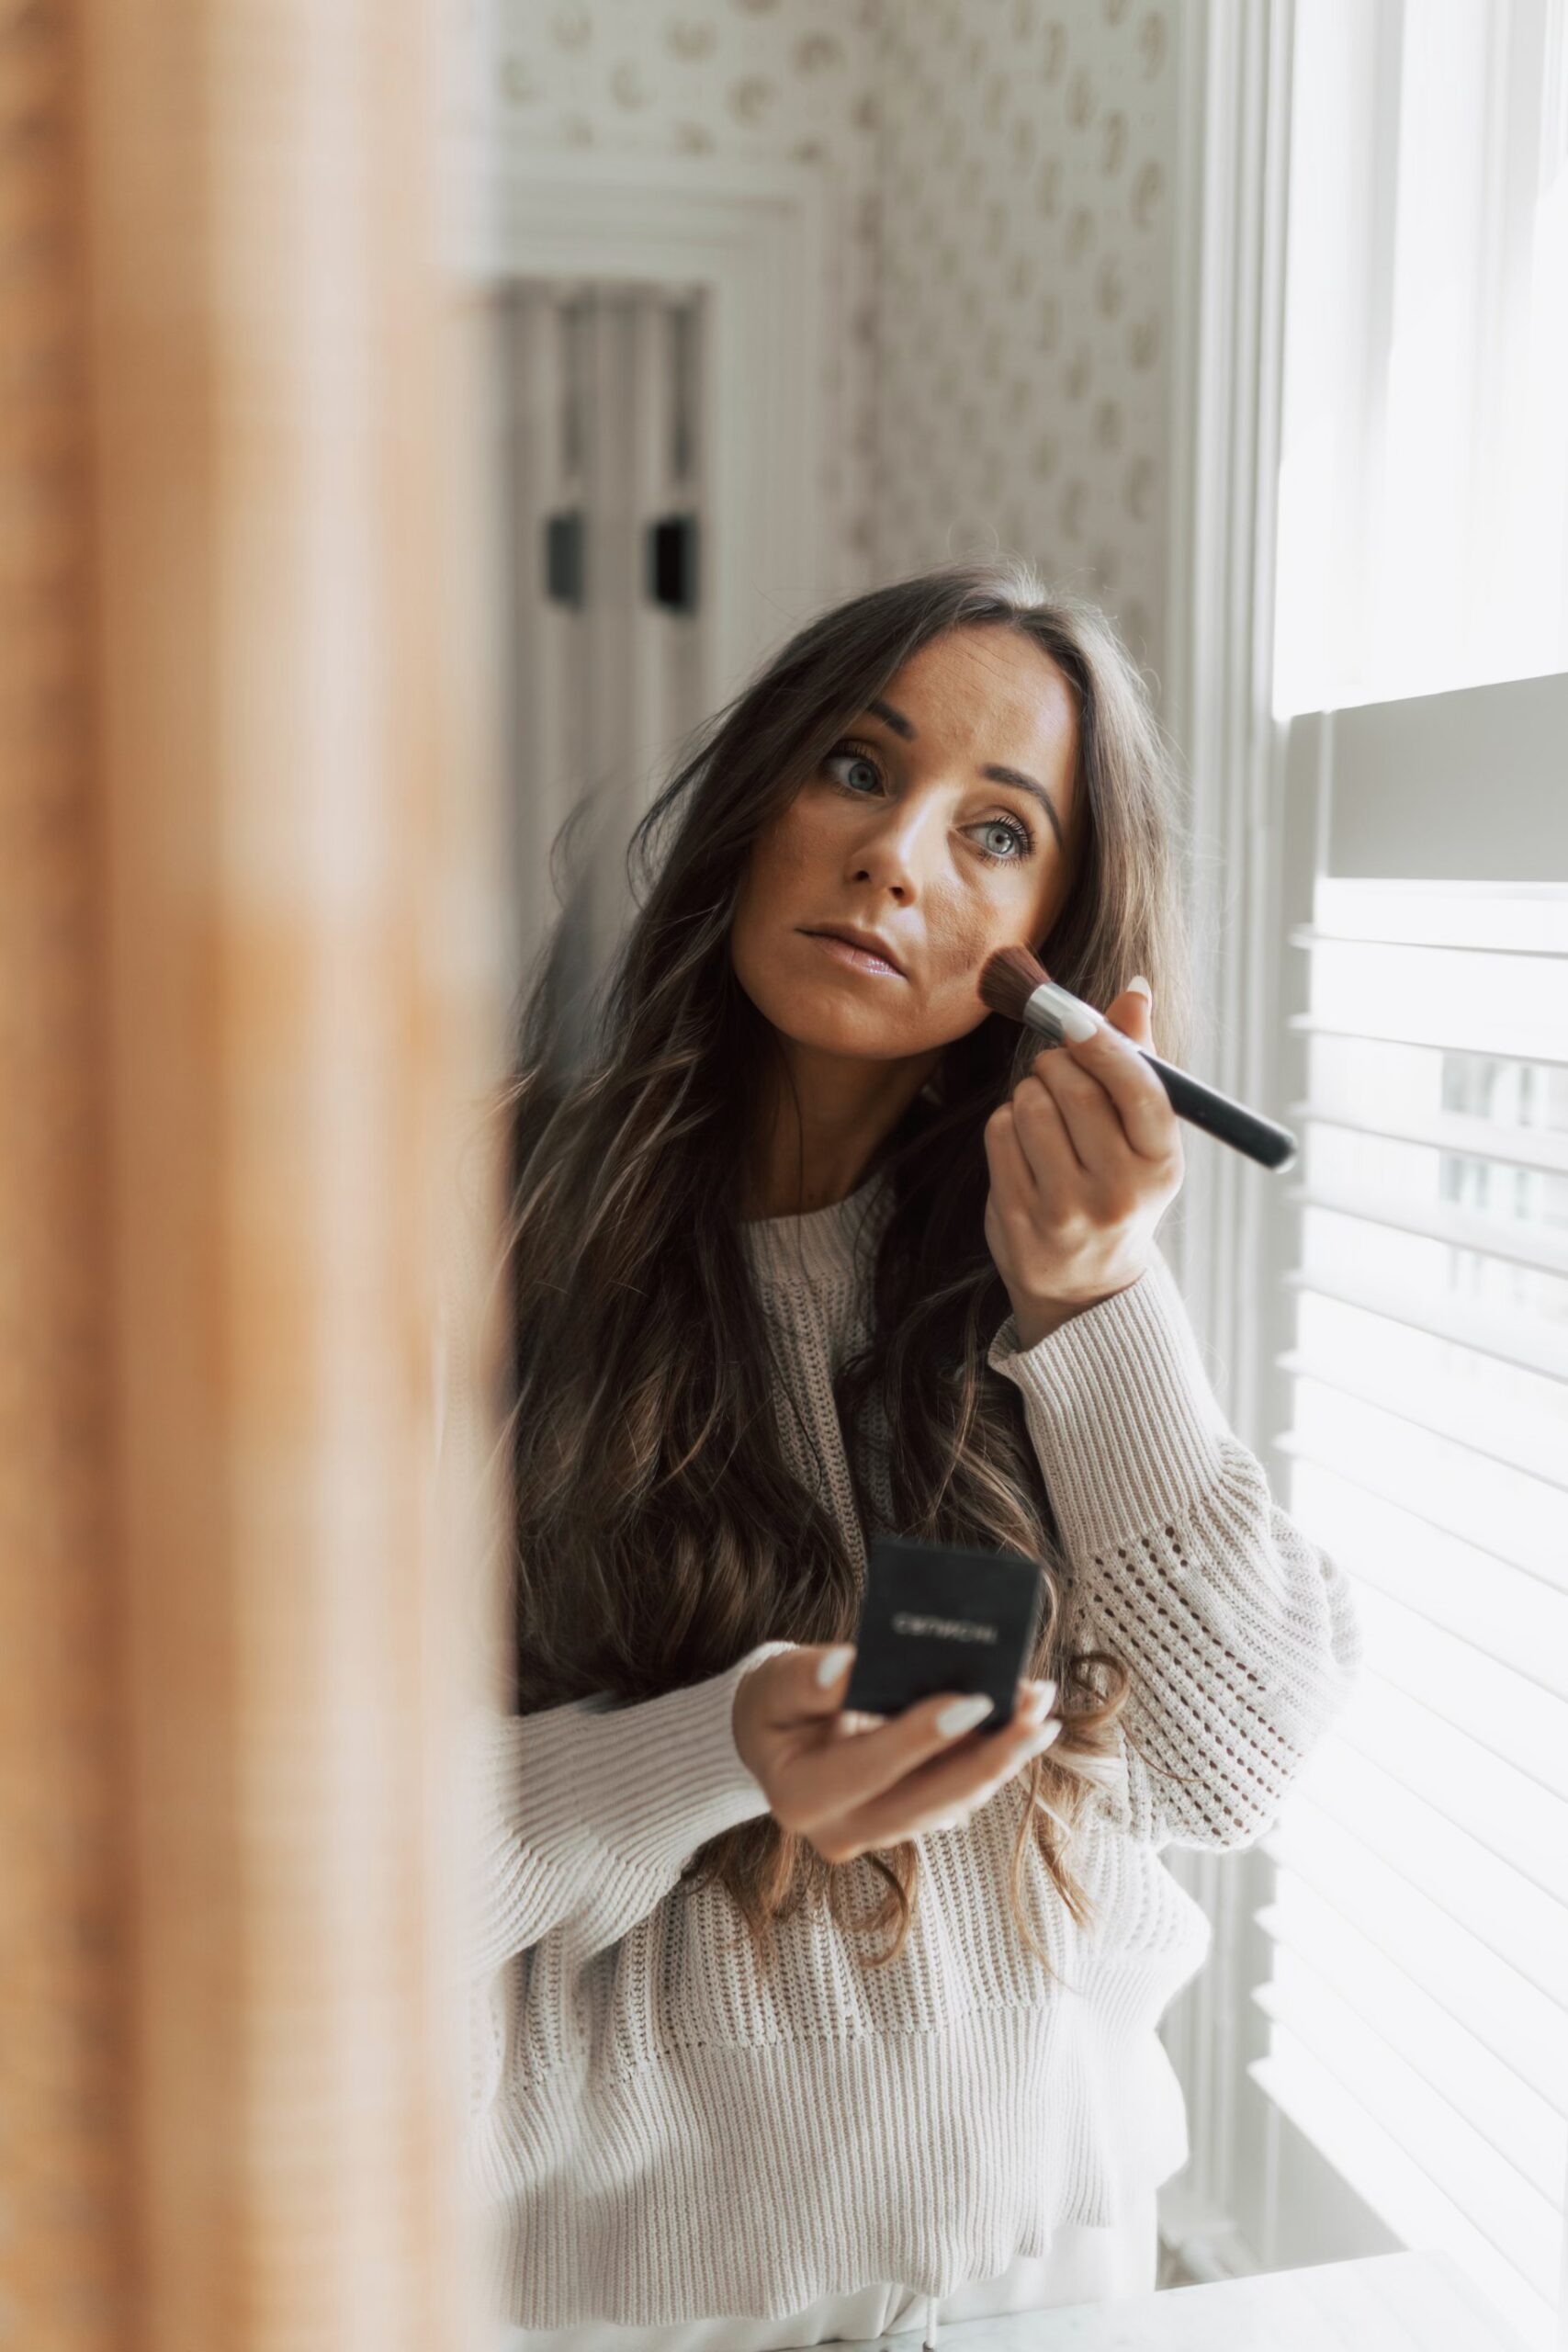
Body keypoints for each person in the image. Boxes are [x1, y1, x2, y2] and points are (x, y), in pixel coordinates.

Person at [457, 560, 1362, 2348]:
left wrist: (1098, 1302)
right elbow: (319, 1837)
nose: (896, 857)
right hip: (609, 2305)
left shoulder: (1050, 1275)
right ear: (758, 800)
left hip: (1039, 2281)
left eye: (997, 830)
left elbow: (1230, 1769)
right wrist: (703, 1751)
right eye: (860, 774)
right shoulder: (481, 1224)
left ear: (1060, 950)